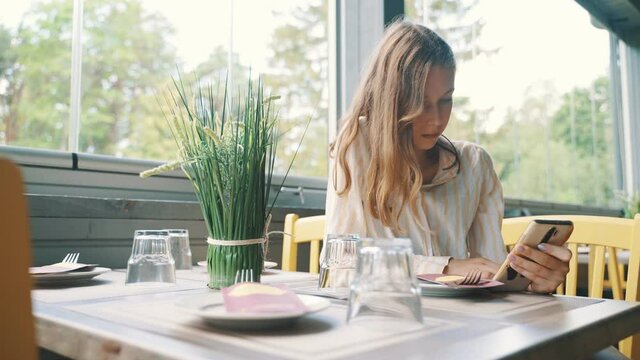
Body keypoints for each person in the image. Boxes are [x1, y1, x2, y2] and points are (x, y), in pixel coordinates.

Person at [324, 20, 570, 294]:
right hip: (384, 322)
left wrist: (535, 283)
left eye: (446, 100)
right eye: (422, 103)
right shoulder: (356, 146)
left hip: (460, 327)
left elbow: (494, 281)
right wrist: (447, 266)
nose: (438, 119)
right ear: (391, 100)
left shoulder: (475, 165)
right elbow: (341, 269)